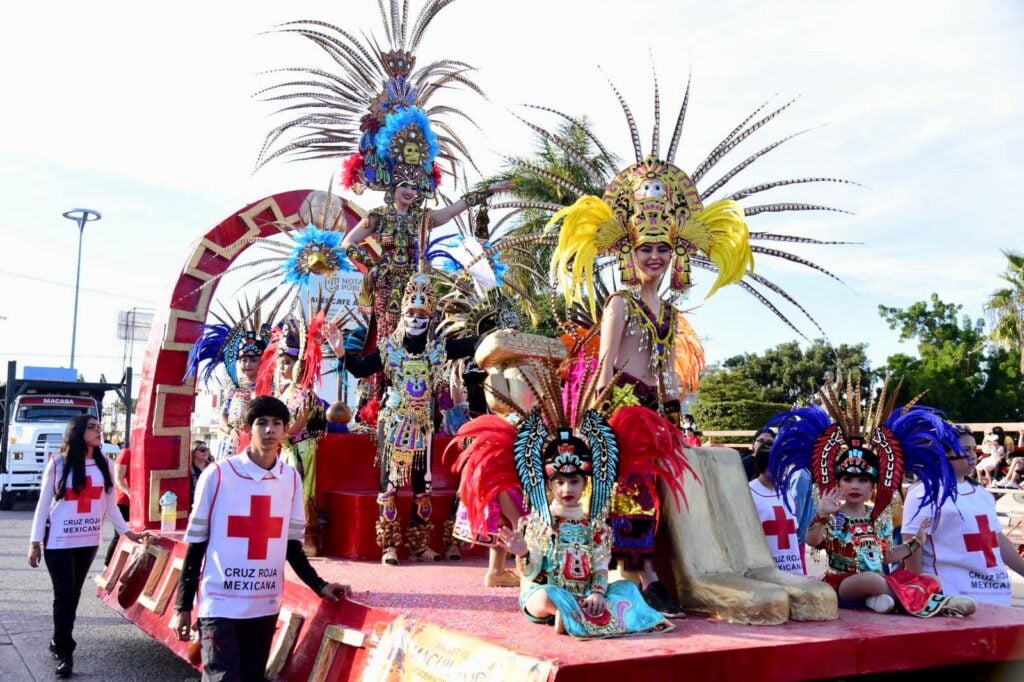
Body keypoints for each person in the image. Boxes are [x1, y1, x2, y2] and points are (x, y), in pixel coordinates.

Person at [453, 368, 684, 638]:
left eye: (574, 482)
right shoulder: (538, 523)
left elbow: (599, 565)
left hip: (587, 595)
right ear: (549, 485)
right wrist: (523, 552)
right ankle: (576, 613)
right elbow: (533, 575)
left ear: (585, 485)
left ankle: (580, 613)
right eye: (560, 482)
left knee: (627, 590)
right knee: (542, 598)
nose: (567, 489)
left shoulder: (595, 525)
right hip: (551, 593)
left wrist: (598, 592)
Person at [170, 396, 349, 681]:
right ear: (247, 428)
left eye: (277, 424)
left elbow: (291, 547)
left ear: (285, 429)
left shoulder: (290, 478)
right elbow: (197, 544)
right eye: (262, 423)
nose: (270, 431)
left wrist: (320, 585)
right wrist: (183, 607)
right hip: (221, 603)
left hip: (264, 604)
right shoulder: (217, 474)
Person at [769, 375, 975, 618]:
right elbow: (812, 541)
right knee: (870, 580)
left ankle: (884, 601)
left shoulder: (878, 518)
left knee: (928, 577)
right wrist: (823, 513)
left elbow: (887, 555)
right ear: (838, 482)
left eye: (863, 480)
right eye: (848, 479)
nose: (855, 485)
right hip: (844, 584)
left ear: (872, 486)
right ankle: (935, 602)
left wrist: (916, 541)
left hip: (879, 580)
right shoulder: (835, 517)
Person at [327, 271, 481, 565]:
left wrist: (498, 332)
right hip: (394, 421)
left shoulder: (439, 349)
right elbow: (360, 369)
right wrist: (341, 352)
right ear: (402, 314)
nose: (416, 319)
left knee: (423, 483)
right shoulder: (389, 348)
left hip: (423, 422)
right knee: (390, 483)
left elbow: (471, 344)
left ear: (430, 317)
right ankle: (389, 545)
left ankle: (419, 544)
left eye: (422, 314)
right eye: (411, 312)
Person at [28, 415, 148, 677]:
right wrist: (34, 542)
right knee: (65, 594)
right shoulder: (58, 463)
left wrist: (128, 532)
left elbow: (111, 505)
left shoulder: (105, 463)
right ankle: (65, 650)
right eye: (92, 428)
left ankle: (59, 638)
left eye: (99, 427)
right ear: (78, 432)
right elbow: (43, 504)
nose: (98, 431)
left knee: (74, 593)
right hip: (58, 541)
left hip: (87, 541)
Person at [903, 424, 1024, 606]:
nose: (973, 455)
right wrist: (919, 596)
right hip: (951, 598)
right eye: (965, 450)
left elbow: (997, 539)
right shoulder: (924, 492)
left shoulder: (982, 494)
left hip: (997, 597)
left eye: (974, 449)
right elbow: (912, 545)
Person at [749, 440, 805, 574]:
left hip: (793, 569)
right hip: (765, 570)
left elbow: (792, 531)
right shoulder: (748, 493)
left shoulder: (787, 493)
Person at [103, 446, 132, 567]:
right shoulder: (127, 453)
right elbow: (118, 479)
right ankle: (107, 565)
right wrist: (130, 493)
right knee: (120, 535)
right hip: (124, 501)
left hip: (139, 504)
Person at [189, 441, 212, 507]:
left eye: (207, 449)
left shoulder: (213, 467)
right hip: (195, 506)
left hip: (210, 505)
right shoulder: (189, 470)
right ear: (193, 452)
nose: (205, 452)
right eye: (202, 450)